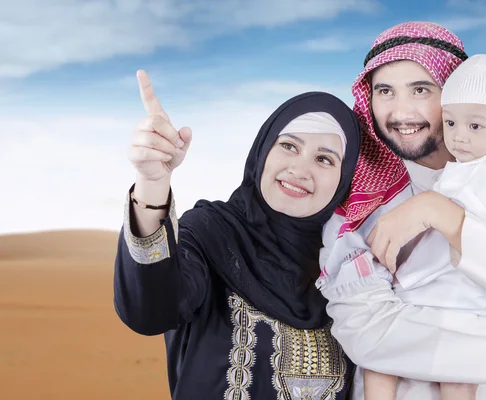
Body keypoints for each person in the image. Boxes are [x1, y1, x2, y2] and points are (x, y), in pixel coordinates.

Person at [315, 22, 486, 399]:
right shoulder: (357, 193)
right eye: (385, 91)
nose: (400, 112)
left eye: (421, 90)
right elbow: (367, 335)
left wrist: (444, 215)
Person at [113, 70, 362, 399]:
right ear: (262, 152)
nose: (300, 170)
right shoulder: (212, 234)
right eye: (288, 145)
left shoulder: (352, 268)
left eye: (324, 159)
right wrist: (153, 184)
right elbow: (150, 310)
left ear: (343, 179)